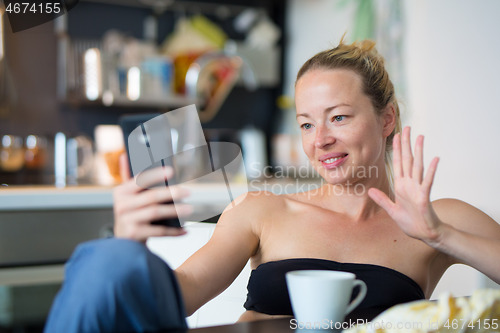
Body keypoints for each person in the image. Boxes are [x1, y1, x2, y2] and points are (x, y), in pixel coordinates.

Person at [44, 39, 500, 332]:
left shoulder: (438, 220)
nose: (320, 140)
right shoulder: (264, 211)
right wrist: (132, 249)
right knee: (106, 262)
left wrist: (442, 237)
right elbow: (179, 294)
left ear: (387, 119)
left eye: (338, 117)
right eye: (305, 124)